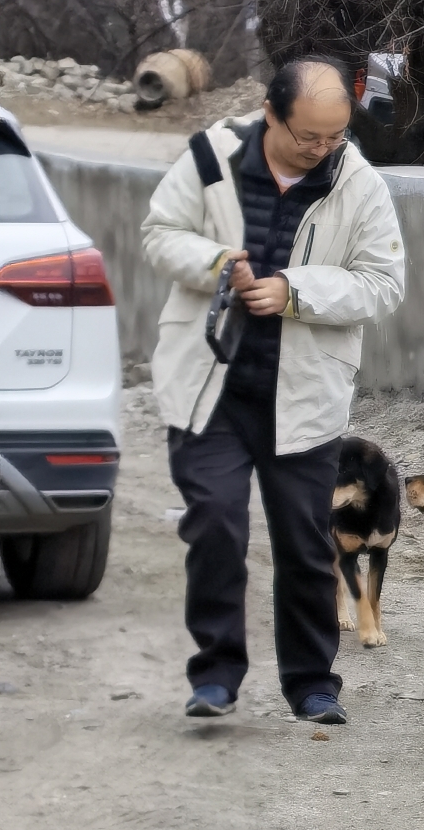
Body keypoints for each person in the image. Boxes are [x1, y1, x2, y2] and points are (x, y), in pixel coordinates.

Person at [141, 56, 405, 723]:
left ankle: (313, 684)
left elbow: (384, 284)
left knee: (304, 542)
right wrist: (213, 263)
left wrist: (296, 290)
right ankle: (216, 676)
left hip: (304, 393)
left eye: (334, 137)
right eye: (307, 137)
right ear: (271, 115)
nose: (321, 151)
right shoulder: (209, 156)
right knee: (216, 528)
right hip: (210, 384)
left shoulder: (359, 184)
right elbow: (158, 235)